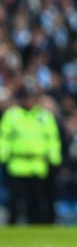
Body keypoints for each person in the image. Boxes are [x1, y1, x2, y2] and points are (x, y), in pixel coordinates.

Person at [0, 92, 62, 225]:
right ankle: (13, 226)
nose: (30, 101)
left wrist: (54, 159)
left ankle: (35, 226)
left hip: (38, 164)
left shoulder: (44, 116)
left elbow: (52, 139)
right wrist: (3, 156)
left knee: (36, 200)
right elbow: (4, 138)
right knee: (15, 201)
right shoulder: (12, 115)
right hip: (17, 164)